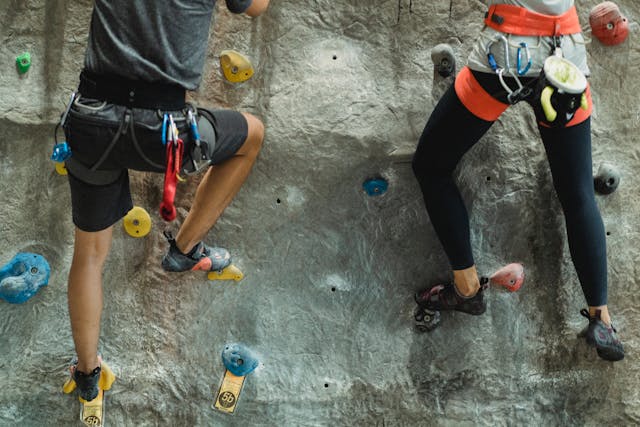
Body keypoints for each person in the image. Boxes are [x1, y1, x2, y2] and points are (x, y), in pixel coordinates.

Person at [61, 0, 270, 401]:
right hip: (164, 132)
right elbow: (256, 7)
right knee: (252, 134)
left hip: (93, 121)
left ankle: (88, 374)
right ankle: (186, 249)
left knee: (88, 255)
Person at [412, 0, 625, 361]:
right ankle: (600, 319)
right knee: (577, 195)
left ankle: (466, 289)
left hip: (506, 55)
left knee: (431, 167)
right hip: (566, 58)